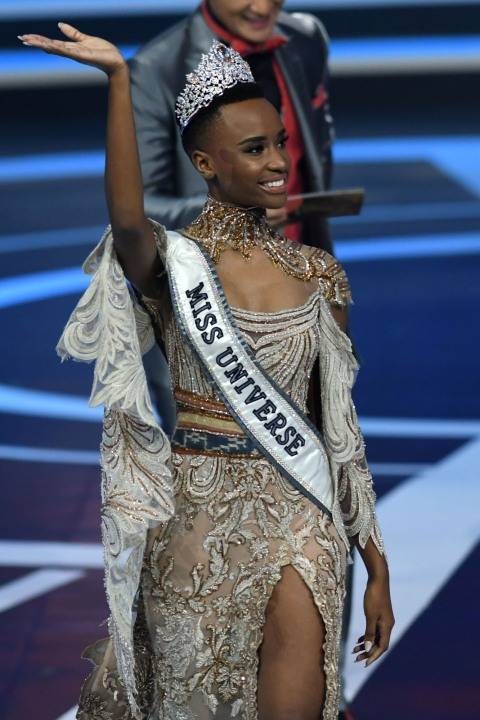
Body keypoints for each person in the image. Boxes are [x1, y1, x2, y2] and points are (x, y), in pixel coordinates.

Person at [19, 24, 394, 720]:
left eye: (280, 142)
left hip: (302, 519)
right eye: (254, 149)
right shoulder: (175, 265)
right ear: (205, 163)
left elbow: (340, 430)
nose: (278, 162)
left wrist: (376, 565)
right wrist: (120, 82)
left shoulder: (320, 275)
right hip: (196, 518)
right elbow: (127, 218)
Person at [129, 0, 335, 249]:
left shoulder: (307, 38)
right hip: (215, 265)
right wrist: (231, 214)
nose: (262, 8)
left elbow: (316, 157)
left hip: (304, 258)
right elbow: (137, 209)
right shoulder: (153, 71)